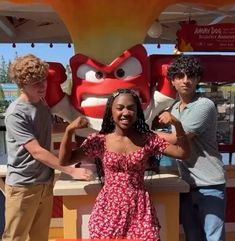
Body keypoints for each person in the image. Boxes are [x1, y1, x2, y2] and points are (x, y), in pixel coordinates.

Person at [59, 88, 190, 240]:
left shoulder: (148, 139)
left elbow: (183, 153)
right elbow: (65, 160)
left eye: (131, 108)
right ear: (111, 112)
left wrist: (177, 124)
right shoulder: (99, 141)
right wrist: (69, 131)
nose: (125, 113)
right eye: (120, 108)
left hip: (139, 207)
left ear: (137, 112)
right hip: (108, 208)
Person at [2, 54, 93, 241]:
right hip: (23, 186)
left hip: (44, 182)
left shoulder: (42, 104)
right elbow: (36, 151)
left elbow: (48, 128)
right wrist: (70, 170)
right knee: (15, 237)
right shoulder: (15, 114)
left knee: (40, 237)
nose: (42, 85)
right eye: (35, 82)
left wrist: (77, 127)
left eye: (43, 79)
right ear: (21, 84)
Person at [163, 55, 226, 241]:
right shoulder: (174, 108)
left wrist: (146, 136)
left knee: (213, 238)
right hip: (186, 184)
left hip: (210, 185)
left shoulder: (204, 105)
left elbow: (178, 139)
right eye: (180, 76)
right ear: (173, 81)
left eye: (190, 76)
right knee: (193, 237)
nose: (185, 80)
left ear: (198, 79)